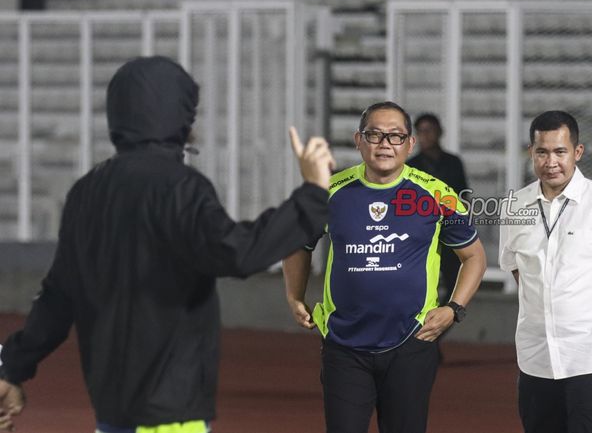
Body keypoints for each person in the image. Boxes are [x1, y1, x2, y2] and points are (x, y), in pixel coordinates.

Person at [0, 56, 335, 433]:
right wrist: (312, 194)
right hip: (171, 410)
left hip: (111, 410)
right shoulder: (182, 188)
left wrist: (11, 368)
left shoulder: (86, 191)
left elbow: (58, 296)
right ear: (180, 115)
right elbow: (239, 252)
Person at [283, 101, 487, 433]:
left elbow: (474, 257)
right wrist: (294, 296)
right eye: (374, 134)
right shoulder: (329, 192)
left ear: (410, 143)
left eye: (395, 136)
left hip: (412, 342)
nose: (384, 144)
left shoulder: (436, 194)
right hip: (344, 345)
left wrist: (454, 308)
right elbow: (297, 244)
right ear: (358, 140)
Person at [498, 110, 592, 433]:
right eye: (542, 152)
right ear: (531, 153)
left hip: (591, 357)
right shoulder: (513, 207)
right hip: (535, 356)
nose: (551, 161)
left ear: (577, 152)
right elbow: (517, 269)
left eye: (560, 151)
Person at [407, 113, 469, 305]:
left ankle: (437, 327)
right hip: (421, 235)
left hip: (450, 231)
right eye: (421, 131)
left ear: (439, 132)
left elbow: (463, 196)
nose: (426, 136)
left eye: (430, 130)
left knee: (454, 284)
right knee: (419, 284)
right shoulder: (410, 166)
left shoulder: (453, 162)